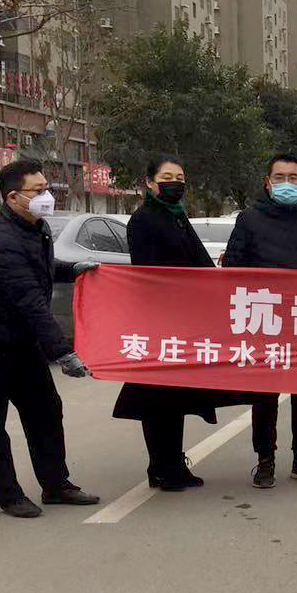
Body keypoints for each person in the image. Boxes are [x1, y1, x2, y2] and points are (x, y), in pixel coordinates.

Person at [0, 158, 99, 517]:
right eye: (38, 190)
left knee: (45, 409)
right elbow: (31, 302)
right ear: (13, 197)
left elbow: (38, 269)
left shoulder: (34, 225)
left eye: (47, 188)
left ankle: (56, 485)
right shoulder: (1, 241)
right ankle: (8, 495)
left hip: (18, 336)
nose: (47, 196)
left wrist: (71, 270)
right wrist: (64, 353)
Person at [113, 156, 247, 490]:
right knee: (156, 396)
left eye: (180, 176)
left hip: (185, 322)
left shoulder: (177, 216)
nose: (175, 182)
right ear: (149, 182)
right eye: (167, 176)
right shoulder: (143, 220)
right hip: (159, 322)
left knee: (177, 396)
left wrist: (219, 287)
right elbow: (150, 273)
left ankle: (173, 462)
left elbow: (197, 262)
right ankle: (160, 466)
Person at [224, 153, 297, 489]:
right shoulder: (249, 219)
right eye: (279, 178)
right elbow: (232, 269)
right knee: (264, 395)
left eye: (293, 178)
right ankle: (265, 461)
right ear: (267, 183)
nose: (286, 184)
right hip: (264, 320)